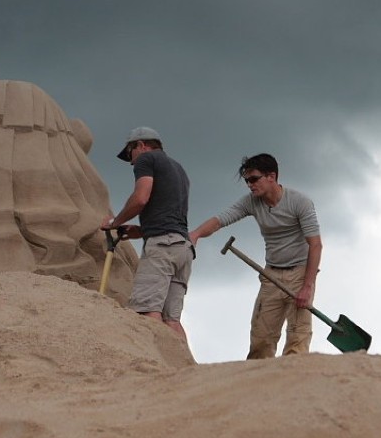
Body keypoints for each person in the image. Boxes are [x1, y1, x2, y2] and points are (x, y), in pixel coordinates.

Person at [190, 153, 322, 359]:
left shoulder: (300, 202)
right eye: (246, 181)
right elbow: (220, 220)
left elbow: (315, 245)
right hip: (271, 275)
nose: (250, 185)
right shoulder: (251, 202)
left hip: (300, 274)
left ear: (272, 176)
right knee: (261, 340)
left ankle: (292, 384)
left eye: (254, 179)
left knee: (298, 338)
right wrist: (195, 234)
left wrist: (307, 286)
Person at [102, 126, 194, 341]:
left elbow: (141, 197)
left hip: (163, 247)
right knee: (171, 319)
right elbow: (170, 216)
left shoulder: (147, 160)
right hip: (183, 247)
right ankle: (189, 371)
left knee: (147, 311)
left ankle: (160, 370)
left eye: (130, 153)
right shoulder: (178, 169)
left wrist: (115, 222)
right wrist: (141, 231)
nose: (132, 161)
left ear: (141, 145)